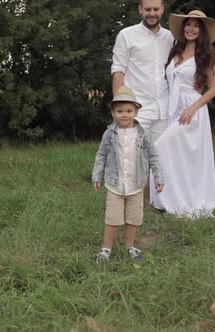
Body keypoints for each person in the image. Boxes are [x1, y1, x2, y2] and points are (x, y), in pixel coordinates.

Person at [150, 10, 215, 219]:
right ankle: (168, 199)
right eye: (188, 24)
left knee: (161, 147)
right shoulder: (176, 51)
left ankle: (184, 200)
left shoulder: (206, 54)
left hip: (192, 111)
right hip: (173, 108)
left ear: (202, 31)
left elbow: (213, 89)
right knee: (176, 156)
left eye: (196, 25)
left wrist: (193, 107)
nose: (191, 28)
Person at [92, 86, 164, 263]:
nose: (124, 114)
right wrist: (97, 175)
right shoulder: (109, 134)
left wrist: (158, 177)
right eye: (120, 111)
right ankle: (106, 250)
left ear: (136, 111)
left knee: (133, 218)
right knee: (112, 219)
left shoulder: (143, 134)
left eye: (129, 111)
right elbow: (101, 155)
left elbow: (153, 156)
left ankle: (130, 246)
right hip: (115, 185)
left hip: (136, 185)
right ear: (113, 113)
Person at [111, 0, 173, 204]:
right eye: (148, 9)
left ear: (162, 10)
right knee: (132, 157)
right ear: (140, 10)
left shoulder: (170, 37)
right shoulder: (126, 35)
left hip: (164, 108)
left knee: (161, 157)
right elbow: (118, 70)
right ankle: (131, 201)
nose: (152, 13)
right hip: (138, 107)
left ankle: (158, 201)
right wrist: (120, 106)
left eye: (156, 9)